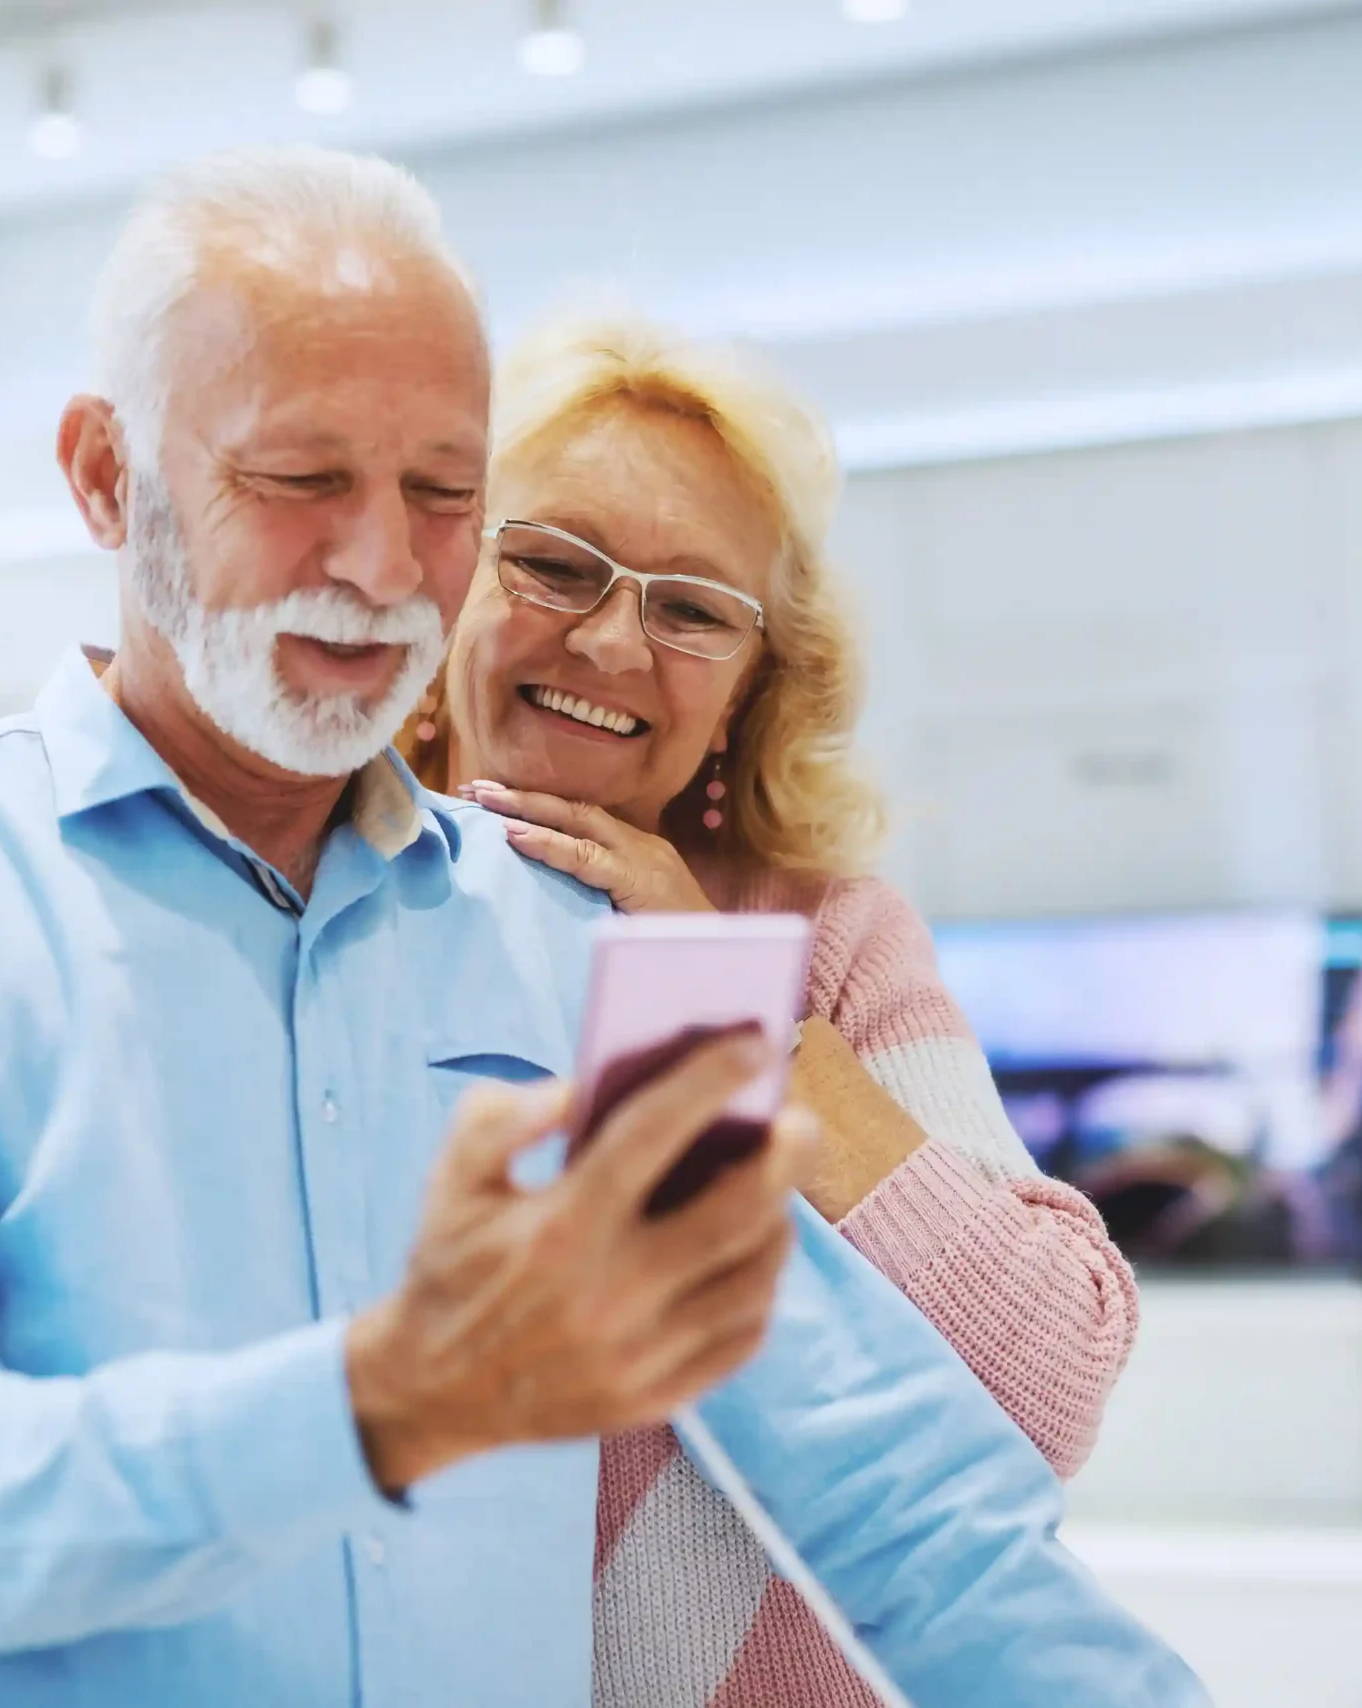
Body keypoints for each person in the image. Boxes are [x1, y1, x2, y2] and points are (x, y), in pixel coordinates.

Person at [0, 144, 1205, 1706]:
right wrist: (381, 1403)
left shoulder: (586, 935)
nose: (382, 564)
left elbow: (900, 1499)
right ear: (105, 475)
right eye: (302, 479)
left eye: (442, 493)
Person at [405, 315, 1144, 1704]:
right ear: (440, 582)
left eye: (691, 609)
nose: (611, 639)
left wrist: (715, 1000)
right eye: (553, 563)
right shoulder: (315, 913)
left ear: (750, 691)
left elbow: (1046, 1389)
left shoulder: (825, 945)